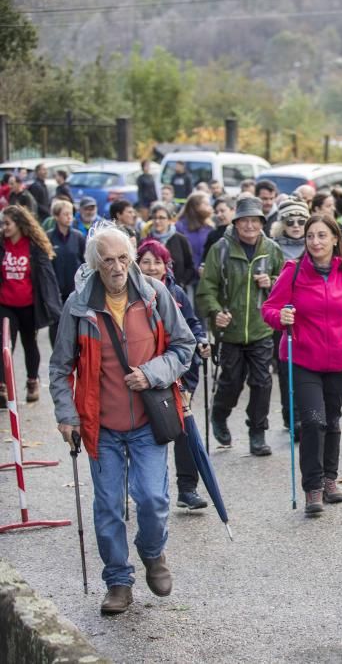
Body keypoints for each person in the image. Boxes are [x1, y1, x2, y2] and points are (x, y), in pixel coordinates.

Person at [49, 224, 195, 615]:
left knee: (152, 498)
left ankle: (152, 552)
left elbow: (184, 347)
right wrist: (67, 416)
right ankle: (117, 580)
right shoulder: (79, 307)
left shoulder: (154, 294)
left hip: (148, 422)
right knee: (108, 506)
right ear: (95, 264)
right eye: (108, 260)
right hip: (102, 426)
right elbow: (61, 365)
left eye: (123, 258)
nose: (117, 267)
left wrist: (153, 373)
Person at [265, 214, 342, 514]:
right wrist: (280, 317)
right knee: (313, 420)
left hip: (338, 360)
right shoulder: (293, 272)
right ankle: (313, 487)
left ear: (335, 239)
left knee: (332, 421)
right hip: (302, 358)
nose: (315, 242)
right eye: (311, 236)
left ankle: (330, 478)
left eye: (322, 236)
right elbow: (269, 308)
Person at [196, 196, 285, 456]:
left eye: (254, 220)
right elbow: (207, 288)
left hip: (261, 328)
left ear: (262, 223)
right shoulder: (221, 249)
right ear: (235, 223)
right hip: (231, 330)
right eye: (244, 220)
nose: (249, 225)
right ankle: (219, 415)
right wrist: (215, 312)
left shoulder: (272, 249)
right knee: (231, 382)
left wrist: (270, 280)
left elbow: (285, 284)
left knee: (262, 382)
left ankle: (257, 432)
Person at [136, 239, 212, 510]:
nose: (152, 267)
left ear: (166, 265)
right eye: (146, 261)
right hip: (140, 374)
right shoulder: (130, 294)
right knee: (141, 433)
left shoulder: (176, 293)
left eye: (157, 262)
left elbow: (192, 325)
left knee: (183, 430)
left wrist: (201, 340)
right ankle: (141, 489)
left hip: (176, 373)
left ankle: (187, 489)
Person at [0, 205, 61, 404]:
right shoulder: (2, 244)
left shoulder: (33, 246)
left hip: (28, 304)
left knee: (29, 342)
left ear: (19, 224)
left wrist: (54, 307)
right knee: (5, 343)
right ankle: (2, 385)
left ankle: (32, 380)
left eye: (7, 223)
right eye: (2, 224)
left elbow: (47, 277)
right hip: (5, 304)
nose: (4, 227)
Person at [269, 198, 309, 431]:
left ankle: (305, 415)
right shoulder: (273, 247)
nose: (296, 225)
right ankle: (291, 416)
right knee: (286, 368)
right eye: (290, 221)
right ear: (282, 223)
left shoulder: (314, 246)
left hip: (309, 316)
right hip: (283, 315)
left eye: (301, 221)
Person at [45, 199, 86, 348]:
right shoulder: (48, 237)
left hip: (75, 290)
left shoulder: (78, 236)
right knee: (56, 326)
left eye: (71, 214)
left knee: (76, 326)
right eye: (66, 214)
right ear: (56, 216)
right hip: (55, 292)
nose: (70, 217)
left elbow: (85, 262)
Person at [143, 202, 196, 288]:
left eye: (161, 218)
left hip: (176, 291)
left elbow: (190, 267)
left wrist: (181, 283)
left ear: (170, 220)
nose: (157, 221)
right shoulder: (146, 241)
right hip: (151, 290)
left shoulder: (181, 239)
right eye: (154, 218)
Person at [174, 192, 216, 274]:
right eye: (206, 204)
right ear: (195, 206)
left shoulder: (210, 227)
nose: (210, 207)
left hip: (206, 274)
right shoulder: (180, 226)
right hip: (187, 275)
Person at [202, 195, 235, 263]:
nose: (218, 215)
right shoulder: (213, 235)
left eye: (222, 211)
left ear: (233, 210)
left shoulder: (243, 233)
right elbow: (206, 260)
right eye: (216, 212)